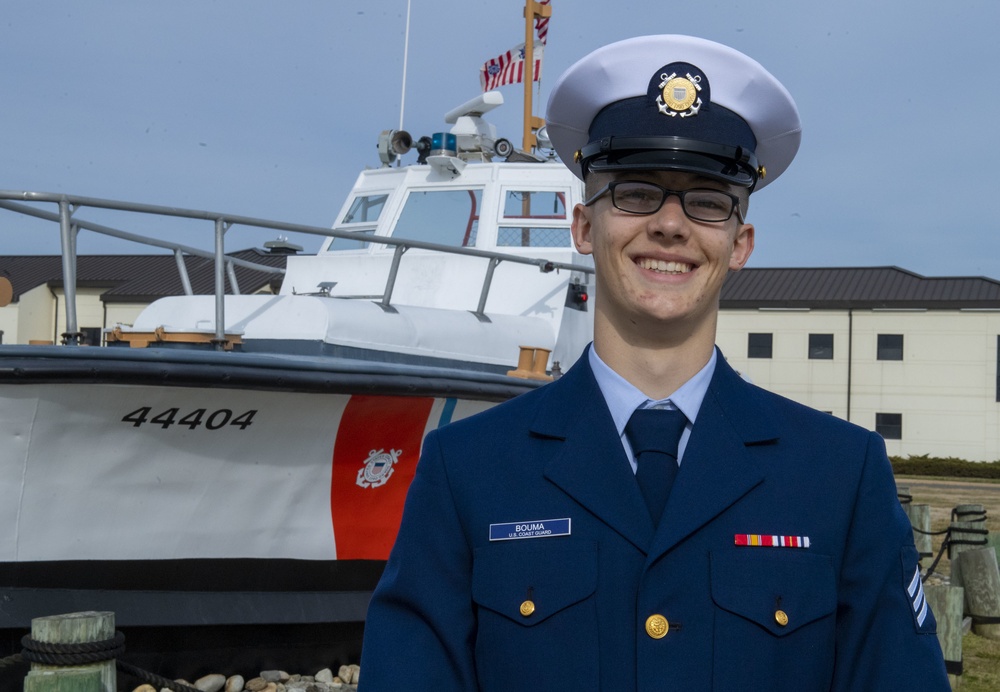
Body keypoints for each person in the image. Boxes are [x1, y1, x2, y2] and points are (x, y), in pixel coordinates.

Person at [359, 34, 949, 691]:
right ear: (583, 226)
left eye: (707, 200)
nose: (670, 225)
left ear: (739, 242)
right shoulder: (464, 471)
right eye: (637, 192)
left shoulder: (841, 478)